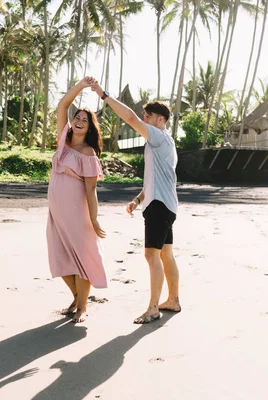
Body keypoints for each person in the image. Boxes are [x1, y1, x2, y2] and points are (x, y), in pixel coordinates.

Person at [90, 81, 181, 324]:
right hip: (165, 204)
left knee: (152, 255)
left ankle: (153, 308)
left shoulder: (158, 136)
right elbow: (156, 179)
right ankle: (172, 299)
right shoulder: (166, 142)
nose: (143, 119)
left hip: (159, 206)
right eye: (144, 115)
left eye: (147, 115)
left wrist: (104, 95)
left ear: (160, 119)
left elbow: (129, 117)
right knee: (166, 254)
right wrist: (138, 199)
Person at [47, 77, 107, 323]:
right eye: (78, 118)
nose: (80, 121)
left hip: (77, 212)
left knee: (82, 256)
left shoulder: (88, 153)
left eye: (85, 119)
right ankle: (76, 297)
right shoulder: (64, 140)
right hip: (57, 211)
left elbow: (91, 190)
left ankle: (82, 307)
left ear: (90, 127)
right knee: (59, 255)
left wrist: (93, 219)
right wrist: (81, 87)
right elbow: (62, 105)